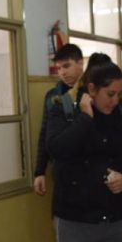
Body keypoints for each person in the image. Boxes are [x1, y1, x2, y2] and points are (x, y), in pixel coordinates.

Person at [46, 60, 122, 242]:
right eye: (110, 94)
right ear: (91, 88)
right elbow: (56, 149)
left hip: (115, 219)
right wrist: (85, 119)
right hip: (74, 221)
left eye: (119, 94)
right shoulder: (63, 109)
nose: (115, 100)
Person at [33, 44, 85, 196]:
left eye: (67, 66)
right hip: (63, 171)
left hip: (91, 169)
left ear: (80, 63)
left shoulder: (93, 92)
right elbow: (45, 134)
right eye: (59, 68)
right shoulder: (52, 96)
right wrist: (39, 171)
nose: (62, 72)